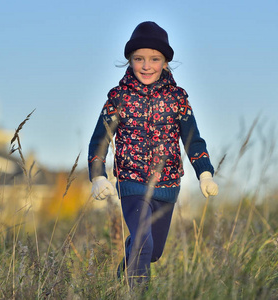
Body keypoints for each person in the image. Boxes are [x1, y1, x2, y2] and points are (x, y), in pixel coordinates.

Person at [88, 21, 218, 287]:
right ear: (130, 61)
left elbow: (192, 139)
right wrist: (98, 176)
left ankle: (121, 277)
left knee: (153, 250)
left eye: (154, 59)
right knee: (143, 243)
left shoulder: (178, 98)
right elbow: (100, 139)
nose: (146, 66)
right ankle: (138, 293)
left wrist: (205, 173)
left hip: (167, 185)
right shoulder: (118, 97)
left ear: (165, 62)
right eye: (139, 59)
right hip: (132, 183)